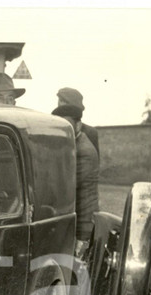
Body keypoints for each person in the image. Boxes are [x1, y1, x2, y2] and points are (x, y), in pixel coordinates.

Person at [52, 104, 99, 257]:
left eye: (66, 125)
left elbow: (64, 186)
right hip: (73, 224)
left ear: (78, 125)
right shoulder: (70, 145)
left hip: (82, 229)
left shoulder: (83, 151)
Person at [57, 87, 99, 154]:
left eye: (63, 101)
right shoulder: (54, 129)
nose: (59, 104)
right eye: (60, 100)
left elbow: (93, 161)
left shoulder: (90, 132)